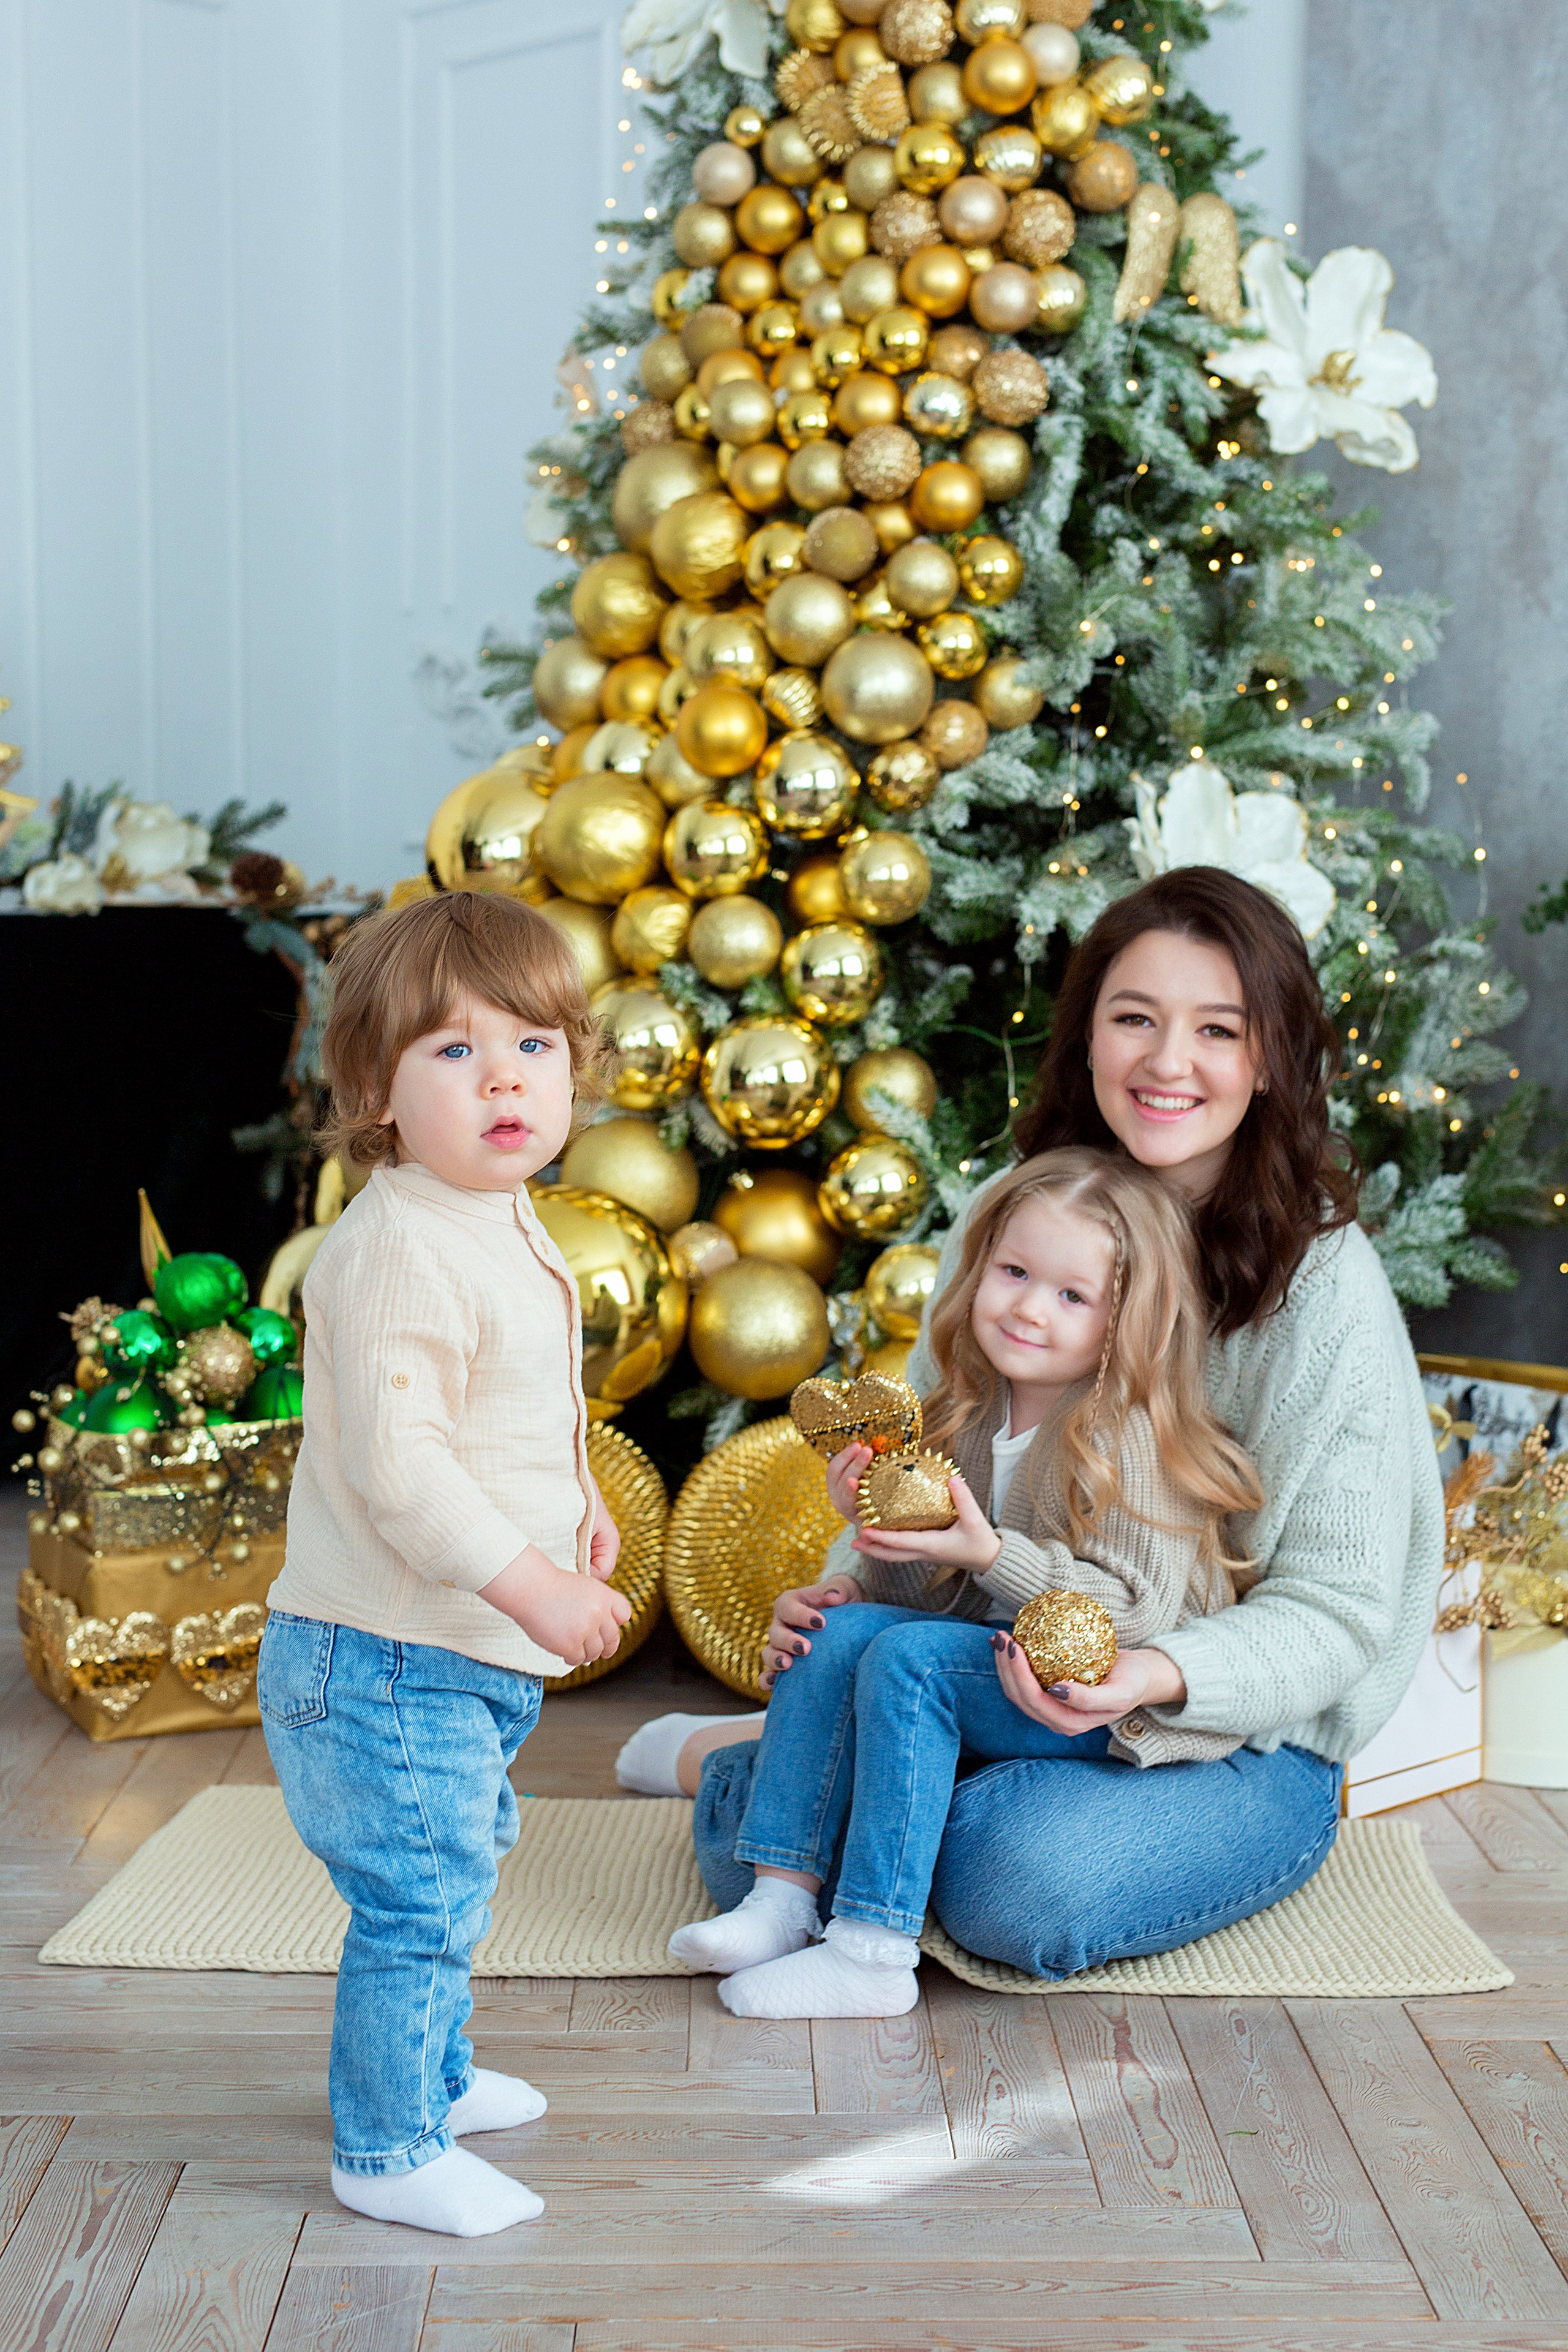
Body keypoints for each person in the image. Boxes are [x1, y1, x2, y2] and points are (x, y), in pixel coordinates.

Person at [620, 867, 1444, 1983]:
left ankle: (764, 1781)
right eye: (1134, 1019)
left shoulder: (1322, 1288)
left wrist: (1149, 1679)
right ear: (1088, 1037)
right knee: (826, 1817)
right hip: (996, 1663)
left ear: (1270, 1059)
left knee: (1003, 1880)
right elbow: (939, 1445)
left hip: (1234, 1734)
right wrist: (847, 1583)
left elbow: (1338, 1616)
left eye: (1217, 1029)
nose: (1167, 1062)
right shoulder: (1023, 1214)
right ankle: (822, 1797)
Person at [665, 1148, 1265, 2018]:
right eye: (1014, 1272)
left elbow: (1131, 1620)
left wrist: (990, 1555)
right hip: (1004, 1669)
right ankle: (781, 1900)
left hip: (1112, 1703)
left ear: (1127, 1320)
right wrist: (884, 1543)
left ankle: (871, 1952)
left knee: (910, 1664)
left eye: (1071, 1295)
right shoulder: (967, 1413)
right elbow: (929, 1605)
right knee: (846, 1632)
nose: (1027, 1307)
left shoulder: (1124, 1432)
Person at [258, 892, 630, 2239]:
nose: (505, 1083)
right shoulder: (397, 1249)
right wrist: (535, 1586)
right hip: (381, 1657)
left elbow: (534, 1407)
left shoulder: (503, 1216)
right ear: (375, 1089)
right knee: (417, 1894)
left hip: (446, 1651)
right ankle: (387, 2145)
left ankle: (437, 2075)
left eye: (533, 1048)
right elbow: (401, 1471)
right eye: (454, 1054)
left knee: (459, 1863)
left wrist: (578, 1506)